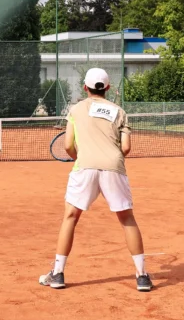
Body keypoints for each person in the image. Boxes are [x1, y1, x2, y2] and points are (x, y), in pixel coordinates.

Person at [38, 68, 152, 292]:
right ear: (107, 88)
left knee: (70, 216)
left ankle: (58, 274)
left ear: (85, 87)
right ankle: (142, 277)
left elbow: (69, 145)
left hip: (85, 166)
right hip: (114, 166)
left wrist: (80, 158)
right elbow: (126, 147)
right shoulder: (119, 111)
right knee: (127, 219)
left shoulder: (76, 109)